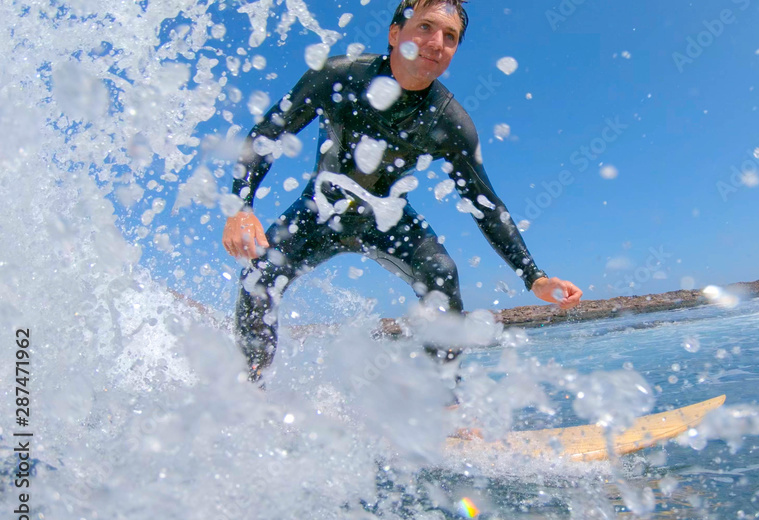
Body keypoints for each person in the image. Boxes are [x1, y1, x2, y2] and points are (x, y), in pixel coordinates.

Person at [222, 0, 582, 385]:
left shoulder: (450, 121)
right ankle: (252, 391)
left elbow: (485, 204)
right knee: (258, 278)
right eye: (425, 27)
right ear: (395, 34)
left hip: (387, 219)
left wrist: (534, 277)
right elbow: (266, 135)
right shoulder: (337, 76)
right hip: (319, 210)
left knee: (441, 274)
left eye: (450, 36)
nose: (436, 42)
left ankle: (446, 407)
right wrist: (241, 207)